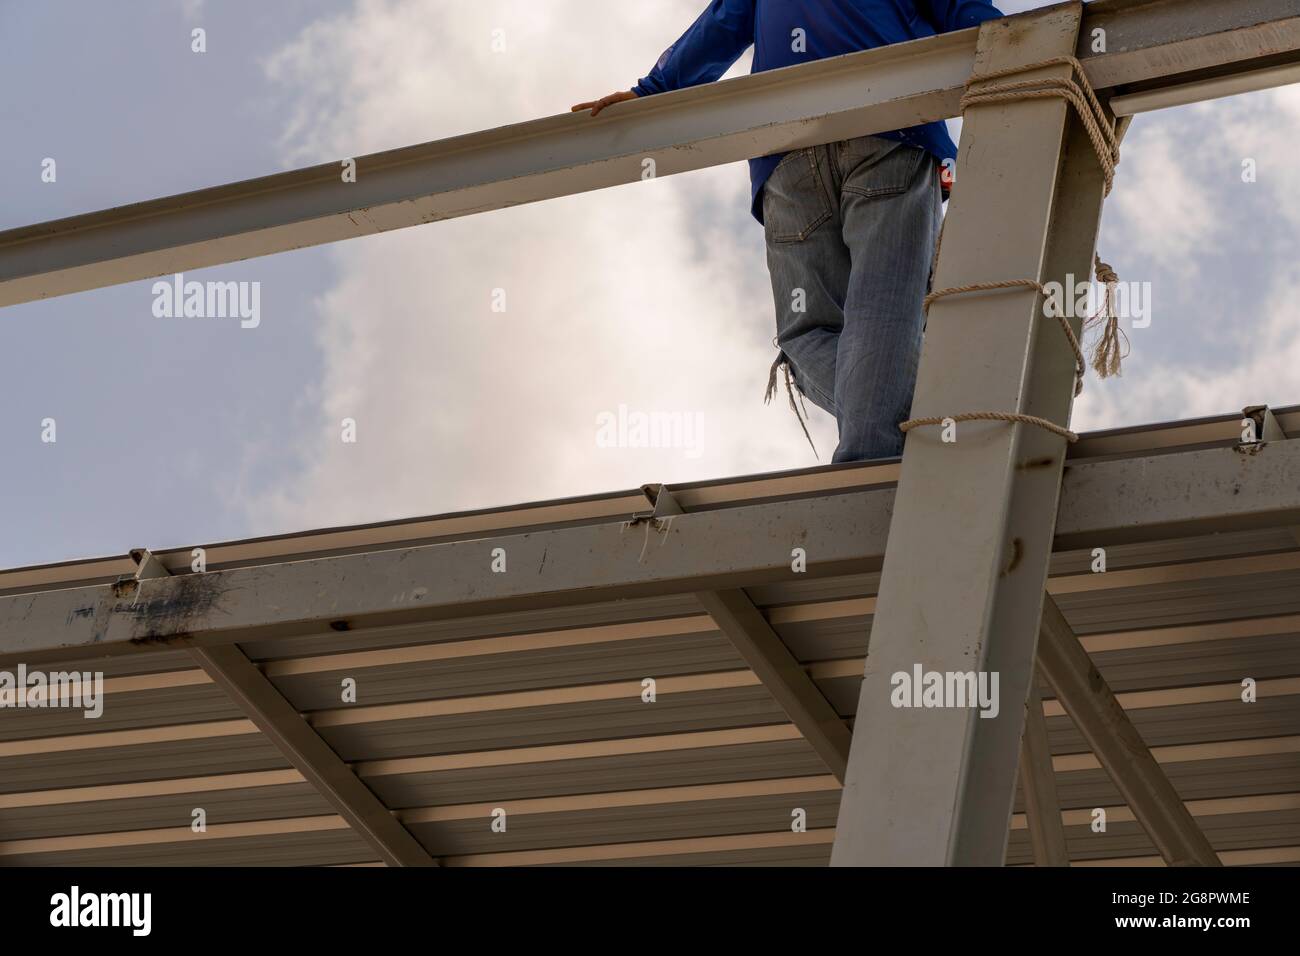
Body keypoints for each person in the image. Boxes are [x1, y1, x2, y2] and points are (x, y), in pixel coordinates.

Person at [574, 1, 1004, 461]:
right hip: (890, 133)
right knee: (883, 314)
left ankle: (894, 422)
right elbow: (967, 14)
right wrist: (1048, 49)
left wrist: (653, 90)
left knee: (807, 336)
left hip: (785, 154)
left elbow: (724, 21)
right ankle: (873, 458)